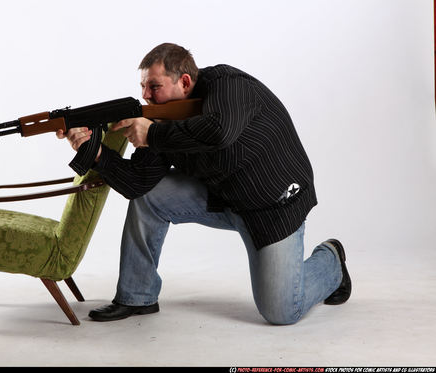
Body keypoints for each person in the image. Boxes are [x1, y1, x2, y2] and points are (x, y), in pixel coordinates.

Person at [57, 43, 351, 325]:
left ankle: (332, 260)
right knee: (150, 197)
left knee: (283, 310)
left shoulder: (229, 84)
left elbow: (220, 131)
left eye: (154, 87)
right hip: (223, 198)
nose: (146, 96)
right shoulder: (161, 118)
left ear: (184, 81)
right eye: (143, 87)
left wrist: (153, 135)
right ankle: (137, 296)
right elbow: (138, 183)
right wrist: (93, 153)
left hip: (273, 206)